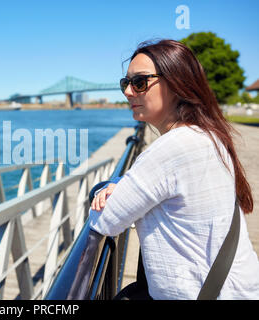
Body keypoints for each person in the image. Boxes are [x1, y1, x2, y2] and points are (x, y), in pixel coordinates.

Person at [88, 39, 259, 300]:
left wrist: (109, 189)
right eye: (126, 83)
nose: (128, 92)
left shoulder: (174, 147)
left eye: (140, 82)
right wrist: (123, 185)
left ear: (177, 83)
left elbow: (104, 220)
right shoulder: (207, 135)